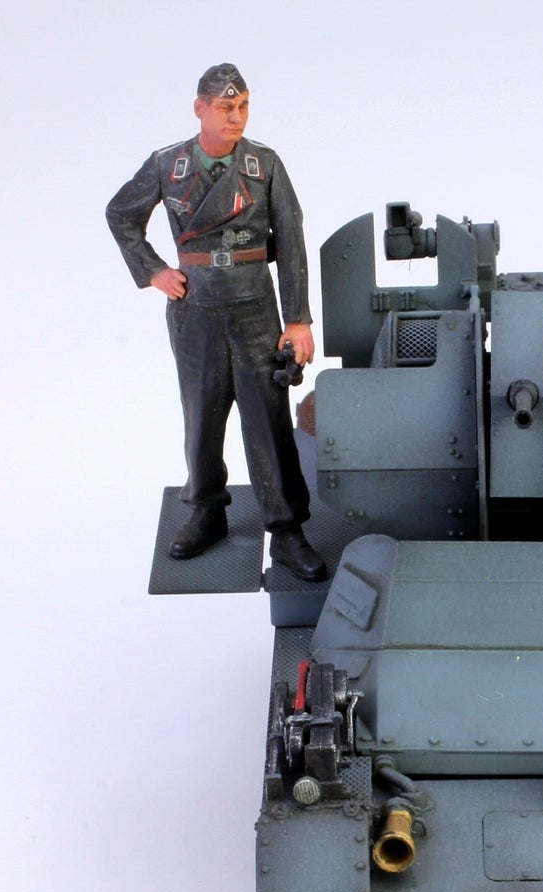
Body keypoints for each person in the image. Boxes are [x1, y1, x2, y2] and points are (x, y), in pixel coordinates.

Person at [106, 63, 326, 580]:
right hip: (196, 307)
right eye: (225, 107)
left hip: (254, 307)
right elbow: (121, 214)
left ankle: (286, 528)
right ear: (199, 108)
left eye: (243, 106)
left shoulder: (263, 164)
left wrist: (297, 320)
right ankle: (206, 510)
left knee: (268, 420)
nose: (236, 117)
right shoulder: (169, 164)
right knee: (202, 416)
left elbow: (291, 239)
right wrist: (154, 271)